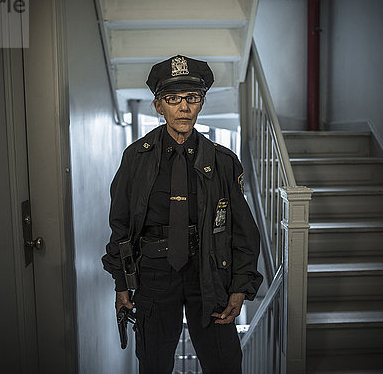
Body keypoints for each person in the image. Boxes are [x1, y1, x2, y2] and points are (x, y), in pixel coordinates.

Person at [102, 55, 263, 374]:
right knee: (154, 364)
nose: (184, 107)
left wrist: (240, 286)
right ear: (159, 106)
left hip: (210, 272)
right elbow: (120, 225)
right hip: (155, 273)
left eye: (192, 98)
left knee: (224, 363)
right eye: (173, 99)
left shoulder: (222, 162)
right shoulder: (136, 158)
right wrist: (122, 283)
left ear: (202, 104)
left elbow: (243, 230)